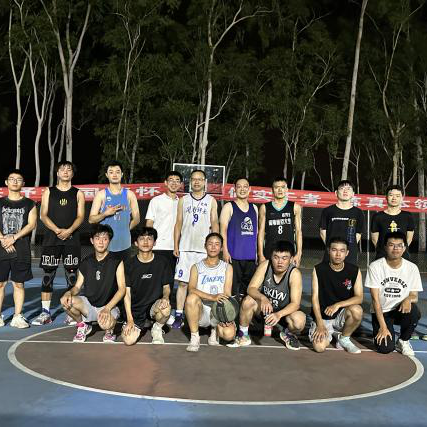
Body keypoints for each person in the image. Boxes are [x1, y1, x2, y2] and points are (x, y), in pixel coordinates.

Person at [32, 161, 85, 326]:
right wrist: (57, 230)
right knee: (48, 276)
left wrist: (69, 230)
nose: (65, 172)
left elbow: (81, 216)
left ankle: (71, 312)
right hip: (51, 240)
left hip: (72, 240)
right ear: (57, 173)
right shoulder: (49, 191)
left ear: (72, 174)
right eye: (62, 169)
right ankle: (45, 313)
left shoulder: (78, 193)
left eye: (69, 169)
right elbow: (43, 215)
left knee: (72, 276)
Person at [231, 240, 306, 350]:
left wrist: (278, 314)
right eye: (276, 257)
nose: (280, 262)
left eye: (284, 258)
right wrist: (263, 298)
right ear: (271, 257)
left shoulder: (294, 274)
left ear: (291, 259)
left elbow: (295, 304)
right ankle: (243, 335)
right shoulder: (265, 265)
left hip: (283, 314)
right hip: (264, 310)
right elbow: (251, 288)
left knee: (299, 320)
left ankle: (288, 333)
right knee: (248, 301)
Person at [60, 224, 126, 343]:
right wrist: (68, 293)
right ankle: (82, 325)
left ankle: (109, 331)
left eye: (105, 239)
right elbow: (77, 287)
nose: (101, 242)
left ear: (109, 241)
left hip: (109, 306)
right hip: (89, 305)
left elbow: (122, 289)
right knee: (65, 302)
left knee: (105, 325)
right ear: (92, 241)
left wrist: (107, 308)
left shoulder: (116, 261)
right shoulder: (86, 262)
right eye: (97, 238)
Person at [173, 169, 219, 328]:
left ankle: (199, 315)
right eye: (194, 179)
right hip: (186, 248)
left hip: (203, 250)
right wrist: (176, 245)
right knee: (183, 284)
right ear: (190, 181)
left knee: (201, 285)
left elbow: (215, 223)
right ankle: (179, 315)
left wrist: (215, 244)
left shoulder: (211, 200)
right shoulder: (183, 200)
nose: (197, 182)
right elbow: (178, 223)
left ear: (205, 182)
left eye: (200, 179)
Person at [365, 231, 423, 356]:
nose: (396, 248)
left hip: (400, 310)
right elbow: (375, 300)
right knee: (385, 348)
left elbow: (414, 296)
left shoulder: (412, 268)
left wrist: (408, 299)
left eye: (399, 245)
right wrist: (383, 327)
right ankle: (383, 332)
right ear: (385, 247)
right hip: (382, 312)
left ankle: (403, 340)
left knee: (414, 312)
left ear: (404, 248)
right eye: (391, 245)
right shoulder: (375, 267)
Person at [309, 237, 363, 354]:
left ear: (347, 253)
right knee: (319, 347)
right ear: (329, 251)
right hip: (323, 317)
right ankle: (333, 333)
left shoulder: (354, 270)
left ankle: (344, 338)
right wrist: (320, 324)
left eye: (342, 251)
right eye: (334, 250)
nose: (338, 254)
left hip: (341, 316)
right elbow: (314, 299)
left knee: (357, 310)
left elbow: (359, 297)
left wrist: (337, 305)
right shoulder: (319, 269)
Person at [121, 227, 171, 346]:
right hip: (135, 310)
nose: (145, 242)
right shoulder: (128, 265)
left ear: (154, 242)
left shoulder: (162, 262)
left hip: (153, 307)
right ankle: (140, 324)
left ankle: (157, 328)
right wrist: (130, 319)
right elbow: (126, 294)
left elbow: (166, 287)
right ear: (136, 243)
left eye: (149, 239)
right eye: (142, 239)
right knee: (129, 340)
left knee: (166, 308)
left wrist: (165, 297)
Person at [185, 233, 235, 352]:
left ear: (221, 248)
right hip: (201, 310)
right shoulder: (196, 267)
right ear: (205, 246)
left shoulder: (227, 267)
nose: (213, 247)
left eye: (217, 244)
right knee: (191, 298)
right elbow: (191, 289)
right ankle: (194, 337)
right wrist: (212, 297)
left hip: (218, 310)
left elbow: (227, 293)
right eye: (210, 244)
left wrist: (227, 315)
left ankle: (215, 331)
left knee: (229, 335)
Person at [0, 170, 37, 328]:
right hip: (1, 248)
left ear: (23, 184)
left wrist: (13, 238)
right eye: (12, 179)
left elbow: (31, 224)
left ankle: (17, 316)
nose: (15, 181)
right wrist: (3, 240)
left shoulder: (29, 203)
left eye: (18, 179)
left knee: (18, 284)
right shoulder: (0, 202)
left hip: (21, 249)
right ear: (6, 182)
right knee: (0, 284)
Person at [145, 171, 182, 325]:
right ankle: (151, 312)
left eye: (177, 180)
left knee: (170, 282)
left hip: (175, 248)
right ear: (165, 183)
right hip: (158, 247)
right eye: (171, 180)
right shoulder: (156, 201)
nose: (174, 183)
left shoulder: (183, 202)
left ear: (180, 184)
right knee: (154, 281)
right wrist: (148, 243)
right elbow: (149, 223)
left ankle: (167, 312)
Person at [89, 161, 140, 262]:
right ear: (107, 175)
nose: (114, 174)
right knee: (106, 272)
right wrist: (105, 213)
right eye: (111, 172)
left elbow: (137, 218)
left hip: (124, 245)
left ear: (122, 174)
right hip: (106, 246)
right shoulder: (101, 195)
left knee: (124, 272)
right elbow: (91, 219)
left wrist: (125, 229)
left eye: (117, 172)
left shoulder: (129, 194)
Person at [219, 177, 258, 298]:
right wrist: (225, 250)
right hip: (233, 256)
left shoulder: (254, 208)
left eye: (245, 186)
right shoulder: (228, 207)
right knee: (231, 291)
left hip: (250, 257)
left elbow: (256, 233)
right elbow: (222, 230)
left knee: (247, 292)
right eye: (239, 186)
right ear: (234, 189)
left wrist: (257, 253)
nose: (242, 189)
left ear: (249, 189)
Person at [258, 177, 302, 267]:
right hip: (270, 251)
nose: (280, 190)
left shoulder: (295, 207)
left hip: (288, 252)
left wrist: (299, 253)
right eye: (276, 187)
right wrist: (260, 254)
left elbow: (298, 232)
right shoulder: (264, 207)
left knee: (290, 275)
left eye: (282, 187)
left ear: (287, 189)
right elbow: (261, 232)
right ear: (272, 190)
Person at [319, 180, 364, 265]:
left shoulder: (358, 213)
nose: (345, 191)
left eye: (348, 189)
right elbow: (323, 232)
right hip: (331, 254)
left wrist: (347, 248)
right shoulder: (327, 211)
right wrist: (333, 248)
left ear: (353, 194)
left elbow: (358, 234)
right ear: (336, 193)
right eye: (342, 188)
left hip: (350, 255)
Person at [371, 185, 415, 260]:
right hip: (382, 257)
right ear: (386, 197)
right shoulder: (378, 216)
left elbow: (409, 238)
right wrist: (385, 251)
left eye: (397, 196)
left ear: (402, 198)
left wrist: (399, 250)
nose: (394, 198)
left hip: (403, 257)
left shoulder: (408, 216)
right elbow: (374, 239)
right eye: (391, 195)